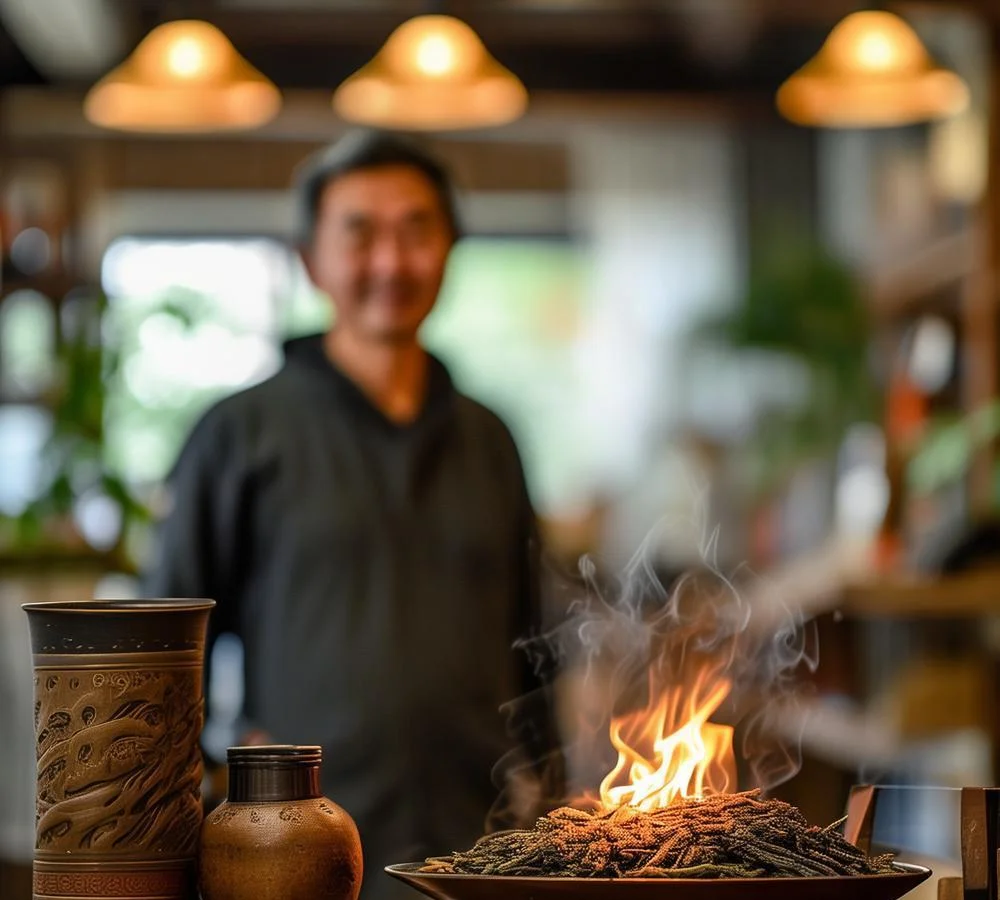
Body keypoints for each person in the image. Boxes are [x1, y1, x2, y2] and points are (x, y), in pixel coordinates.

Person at [143, 130, 560, 899]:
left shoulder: (489, 438)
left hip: (483, 850)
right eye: (360, 232)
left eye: (417, 230)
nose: (392, 263)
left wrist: (560, 805)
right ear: (311, 259)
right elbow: (164, 645)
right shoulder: (241, 432)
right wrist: (200, 789)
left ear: (449, 250)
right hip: (294, 855)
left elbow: (536, 642)